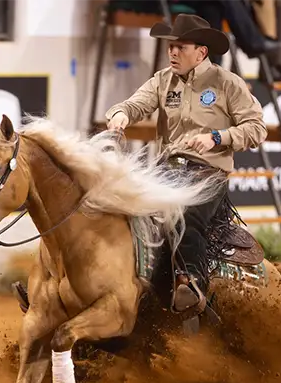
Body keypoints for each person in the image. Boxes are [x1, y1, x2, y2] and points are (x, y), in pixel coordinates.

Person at [104, 14, 267, 315]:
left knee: (186, 212)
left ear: (201, 52)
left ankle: (190, 281)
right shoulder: (162, 81)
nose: (173, 53)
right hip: (167, 171)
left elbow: (257, 129)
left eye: (181, 47)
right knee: (118, 206)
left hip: (208, 174)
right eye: (170, 47)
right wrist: (120, 114)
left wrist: (218, 137)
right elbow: (135, 104)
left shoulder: (227, 84)